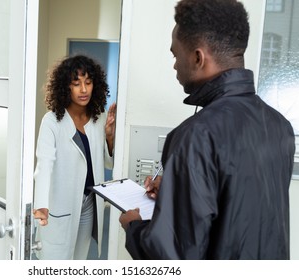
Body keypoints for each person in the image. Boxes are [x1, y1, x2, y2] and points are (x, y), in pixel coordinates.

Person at [119, 0, 295, 259]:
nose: (175, 65)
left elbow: (170, 258)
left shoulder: (194, 136)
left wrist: (133, 226)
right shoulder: (280, 126)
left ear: (198, 58)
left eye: (175, 55)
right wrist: (176, 193)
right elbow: (241, 208)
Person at [33, 55, 116, 259]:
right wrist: (41, 203)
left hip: (88, 202)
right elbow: (44, 164)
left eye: (88, 83)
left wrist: (109, 136)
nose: (84, 89)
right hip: (61, 205)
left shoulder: (99, 118)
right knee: (55, 261)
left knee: (79, 259)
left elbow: (108, 161)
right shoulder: (52, 121)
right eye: (76, 84)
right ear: (65, 87)